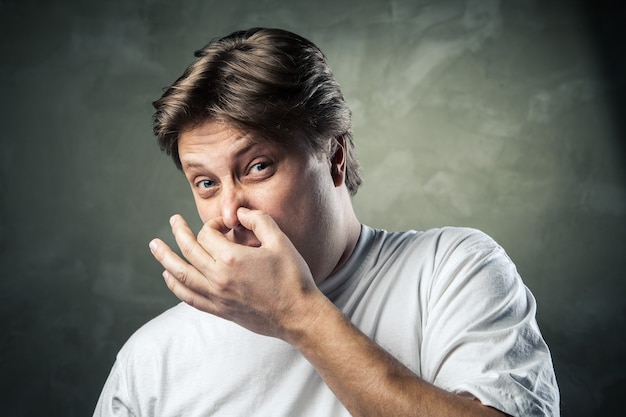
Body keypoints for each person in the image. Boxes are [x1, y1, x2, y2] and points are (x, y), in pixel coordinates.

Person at [93, 27, 560, 416]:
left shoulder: (451, 269)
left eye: (258, 167)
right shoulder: (152, 357)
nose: (230, 213)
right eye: (206, 183)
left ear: (333, 156)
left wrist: (296, 313)